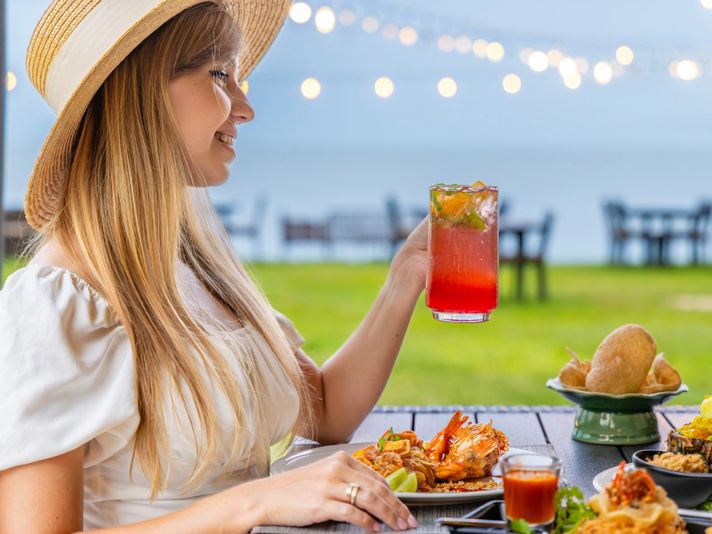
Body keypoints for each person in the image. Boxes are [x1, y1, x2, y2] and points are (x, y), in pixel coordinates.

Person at [0, 1, 426, 532]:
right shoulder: (57, 300)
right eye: (220, 74)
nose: (244, 108)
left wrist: (407, 274)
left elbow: (326, 410)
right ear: (141, 93)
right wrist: (257, 502)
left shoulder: (195, 270)